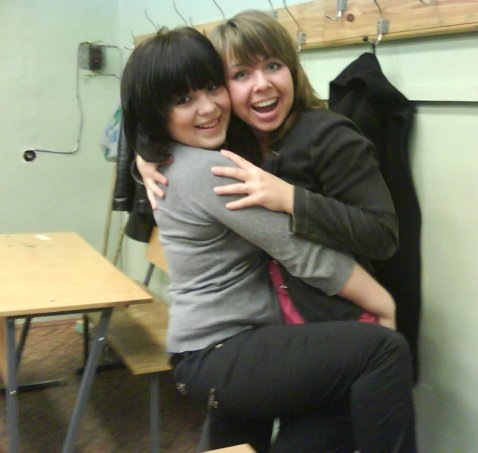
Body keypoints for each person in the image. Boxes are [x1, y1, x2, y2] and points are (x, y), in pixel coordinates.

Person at [121, 26, 415, 452]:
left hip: (215, 347)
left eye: (211, 88)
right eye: (185, 99)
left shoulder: (195, 153)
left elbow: (376, 231)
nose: (207, 107)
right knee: (384, 351)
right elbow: (301, 253)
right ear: (157, 112)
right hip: (224, 348)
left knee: (314, 417)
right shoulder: (211, 170)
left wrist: (143, 156)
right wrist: (383, 303)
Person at [138, 9, 401, 326]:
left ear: (292, 70)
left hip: (333, 316)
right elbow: (162, 124)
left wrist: (291, 199)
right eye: (241, 74)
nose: (261, 84)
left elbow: (382, 235)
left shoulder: (328, 136)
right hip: (267, 319)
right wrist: (145, 158)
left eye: (273, 66)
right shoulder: (229, 140)